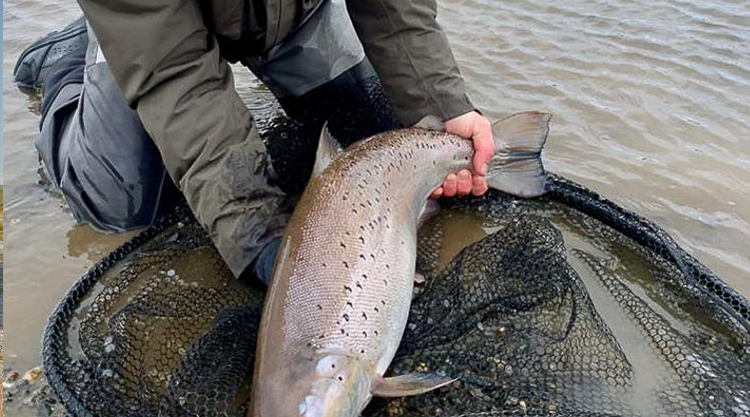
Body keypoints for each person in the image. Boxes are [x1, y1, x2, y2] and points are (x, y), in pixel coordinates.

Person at [14, 0, 494, 285]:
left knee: (373, 129)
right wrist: (256, 230)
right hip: (157, 40)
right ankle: (65, 60)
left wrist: (442, 105)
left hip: (291, 18)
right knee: (120, 207)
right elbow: (177, 77)